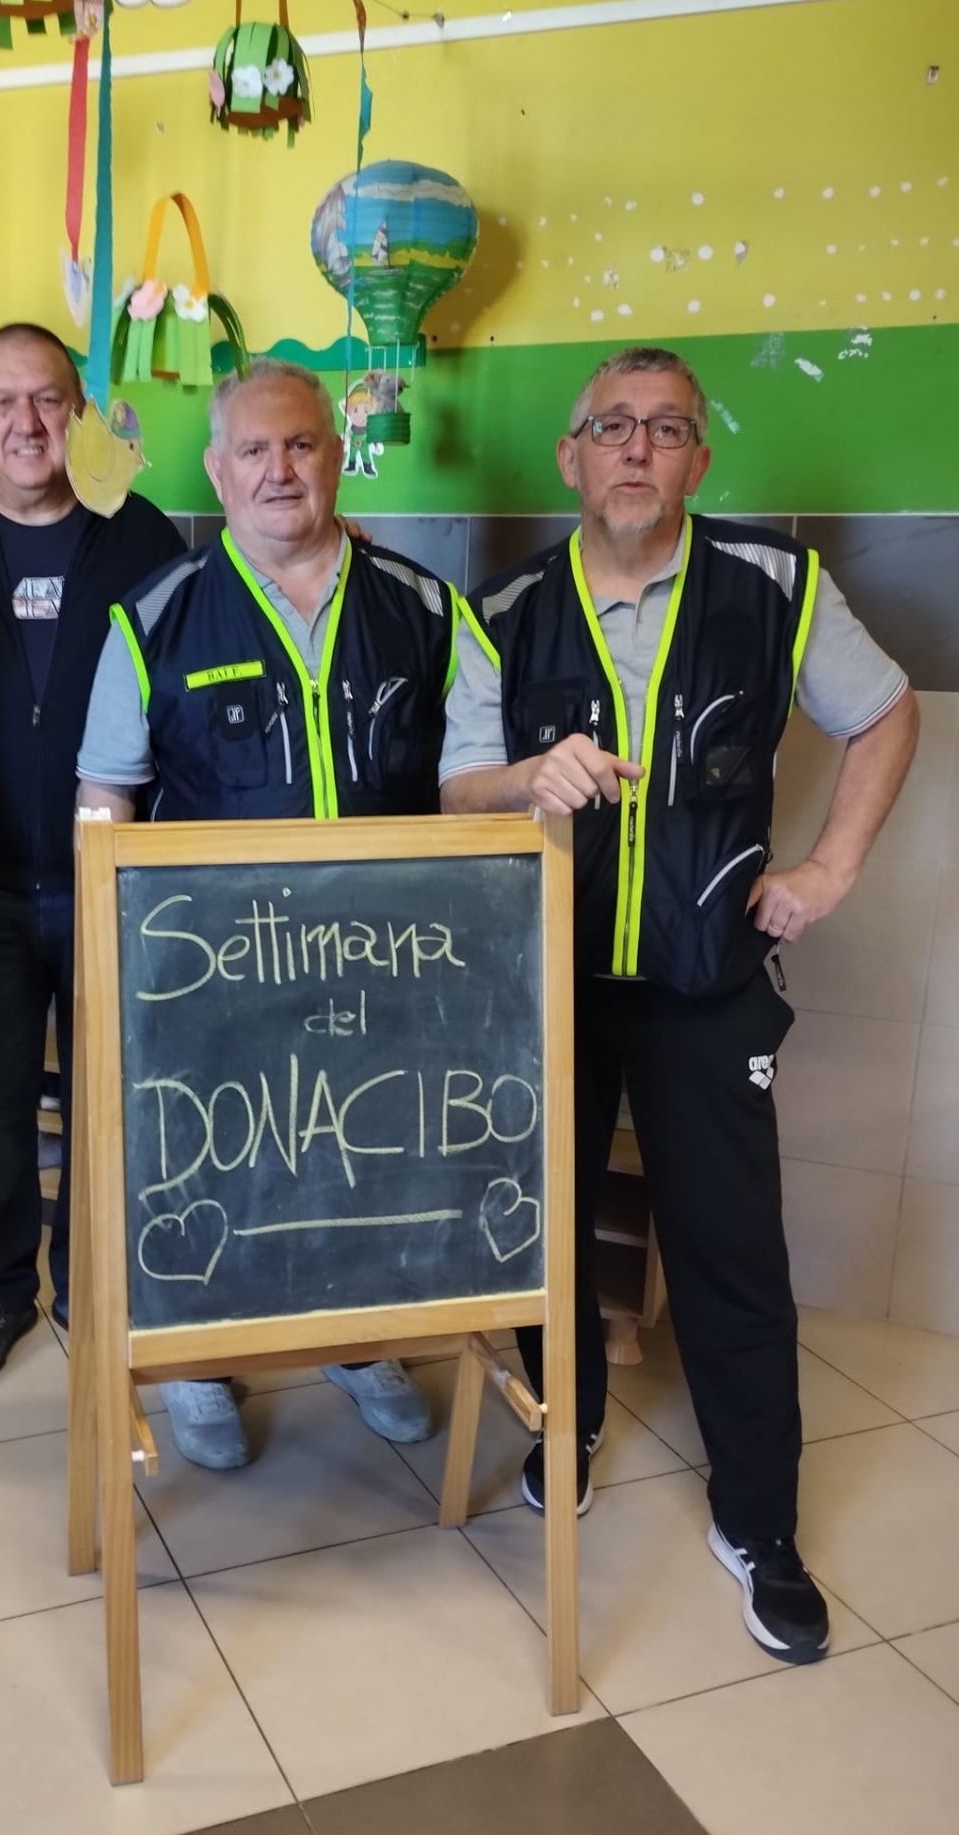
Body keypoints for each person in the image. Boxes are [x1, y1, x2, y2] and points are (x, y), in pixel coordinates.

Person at [441, 345, 917, 1665]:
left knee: (731, 1258)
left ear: (700, 457)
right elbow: (456, 787)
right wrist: (528, 776)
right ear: (571, 456)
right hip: (548, 980)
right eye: (611, 426)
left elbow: (884, 718)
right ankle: (569, 1423)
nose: (636, 448)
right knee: (542, 1230)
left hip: (707, 984)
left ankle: (761, 1526)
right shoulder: (506, 606)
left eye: (665, 427)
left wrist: (826, 870)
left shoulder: (775, 585)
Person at [75, 357, 460, 1471]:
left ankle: (354, 1342)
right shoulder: (154, 619)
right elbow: (105, 797)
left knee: (357, 1161)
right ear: (218, 469)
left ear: (337, 457)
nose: (279, 470)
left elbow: (472, 781)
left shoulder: (424, 608)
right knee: (218, 1168)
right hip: (214, 976)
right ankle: (199, 1360)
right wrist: (115, 964)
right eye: (254, 449)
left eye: (300, 445)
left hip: (381, 964)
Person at [0, 324, 186, 1387]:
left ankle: (96, 1281)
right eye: (2, 402)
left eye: (48, 399)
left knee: (115, 1106)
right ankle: (4, 1288)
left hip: (114, 885)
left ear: (79, 412)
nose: (25, 423)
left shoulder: (140, 534)